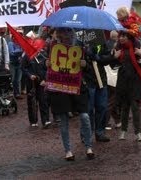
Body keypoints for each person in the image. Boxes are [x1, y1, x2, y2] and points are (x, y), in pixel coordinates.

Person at [47, 27, 94, 161]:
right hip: (60, 88)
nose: (65, 34)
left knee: (85, 116)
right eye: (62, 32)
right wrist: (47, 63)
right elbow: (49, 66)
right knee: (63, 120)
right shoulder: (52, 46)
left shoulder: (81, 45)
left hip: (78, 87)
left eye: (68, 31)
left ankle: (88, 146)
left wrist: (85, 65)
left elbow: (90, 68)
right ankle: (68, 150)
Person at [22, 49, 51, 128]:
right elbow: (23, 68)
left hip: (41, 82)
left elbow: (47, 69)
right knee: (32, 102)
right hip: (31, 82)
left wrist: (45, 79)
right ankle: (33, 121)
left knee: (43, 101)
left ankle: (45, 120)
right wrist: (29, 75)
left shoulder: (43, 55)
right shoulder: (26, 56)